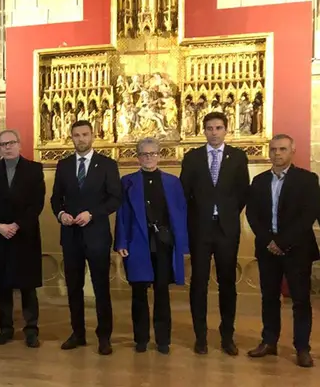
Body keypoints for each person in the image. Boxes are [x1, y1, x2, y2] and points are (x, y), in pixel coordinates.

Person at [245, 134, 319, 368]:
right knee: (269, 298)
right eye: (274, 149)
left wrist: (283, 242)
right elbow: (252, 214)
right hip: (267, 249)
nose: (277, 153)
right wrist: (269, 241)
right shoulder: (259, 181)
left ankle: (302, 348)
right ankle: (269, 342)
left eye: (283, 149)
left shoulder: (307, 179)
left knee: (300, 300)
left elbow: (308, 214)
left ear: (292, 150)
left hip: (297, 249)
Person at [179, 111, 249, 355]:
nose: (214, 132)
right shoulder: (192, 157)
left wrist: (226, 212)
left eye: (218, 128)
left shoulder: (237, 157)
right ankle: (200, 337)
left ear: (226, 129)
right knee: (198, 282)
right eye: (209, 128)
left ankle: (227, 336)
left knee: (227, 282)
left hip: (226, 229)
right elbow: (184, 193)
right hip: (200, 229)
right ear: (204, 131)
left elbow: (243, 192)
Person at [50, 120, 121, 355]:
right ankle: (78, 333)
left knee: (101, 287)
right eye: (76, 135)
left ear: (92, 136)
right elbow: (56, 198)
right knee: (73, 287)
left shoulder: (107, 165)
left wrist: (92, 213)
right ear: (71, 138)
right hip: (70, 236)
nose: (81, 139)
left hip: (97, 235)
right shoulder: (64, 165)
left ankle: (104, 337)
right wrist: (61, 214)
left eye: (85, 134)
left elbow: (115, 198)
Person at [114, 137, 189, 354]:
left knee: (162, 292)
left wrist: (182, 245)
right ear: (138, 157)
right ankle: (141, 339)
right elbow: (122, 214)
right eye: (144, 154)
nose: (149, 158)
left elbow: (181, 214)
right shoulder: (127, 182)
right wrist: (121, 242)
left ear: (159, 155)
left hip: (164, 244)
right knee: (139, 293)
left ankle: (163, 340)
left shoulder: (172, 182)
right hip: (137, 242)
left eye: (153, 153)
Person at [0, 129, 45, 348]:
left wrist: (17, 225)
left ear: (20, 144)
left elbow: (37, 203)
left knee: (28, 286)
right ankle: (5, 329)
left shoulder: (34, 169)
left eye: (11, 143)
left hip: (25, 235)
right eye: (3, 144)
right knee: (2, 286)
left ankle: (31, 330)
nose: (7, 147)